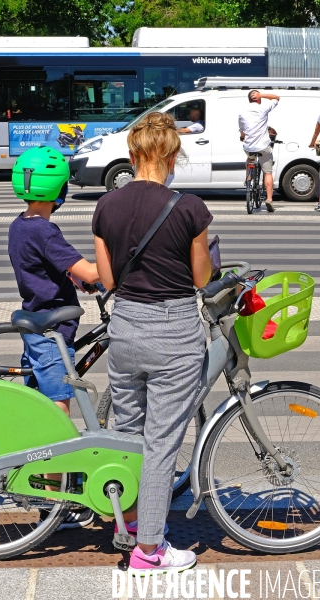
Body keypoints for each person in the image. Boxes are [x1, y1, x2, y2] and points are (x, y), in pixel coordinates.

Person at [92, 111, 213, 575]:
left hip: (125, 329)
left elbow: (107, 278)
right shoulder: (189, 208)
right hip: (174, 332)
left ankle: (127, 519)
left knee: (128, 434)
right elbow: (201, 277)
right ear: (172, 154)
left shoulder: (106, 206)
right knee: (162, 444)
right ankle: (148, 551)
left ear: (132, 153)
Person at [8, 146, 100, 529]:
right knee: (57, 411)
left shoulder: (20, 224)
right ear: (60, 189)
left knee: (38, 404)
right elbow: (92, 272)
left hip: (36, 323)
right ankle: (55, 503)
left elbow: (48, 270)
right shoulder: (45, 231)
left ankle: (48, 484)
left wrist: (71, 278)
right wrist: (106, 271)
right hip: (50, 333)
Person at [239, 90, 280, 212]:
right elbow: (277, 98)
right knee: (267, 172)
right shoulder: (263, 108)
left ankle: (248, 178)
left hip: (249, 147)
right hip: (263, 147)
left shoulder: (242, 112)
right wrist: (261, 95)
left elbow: (242, 131)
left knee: (250, 157)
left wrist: (242, 137)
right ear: (258, 99)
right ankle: (269, 199)